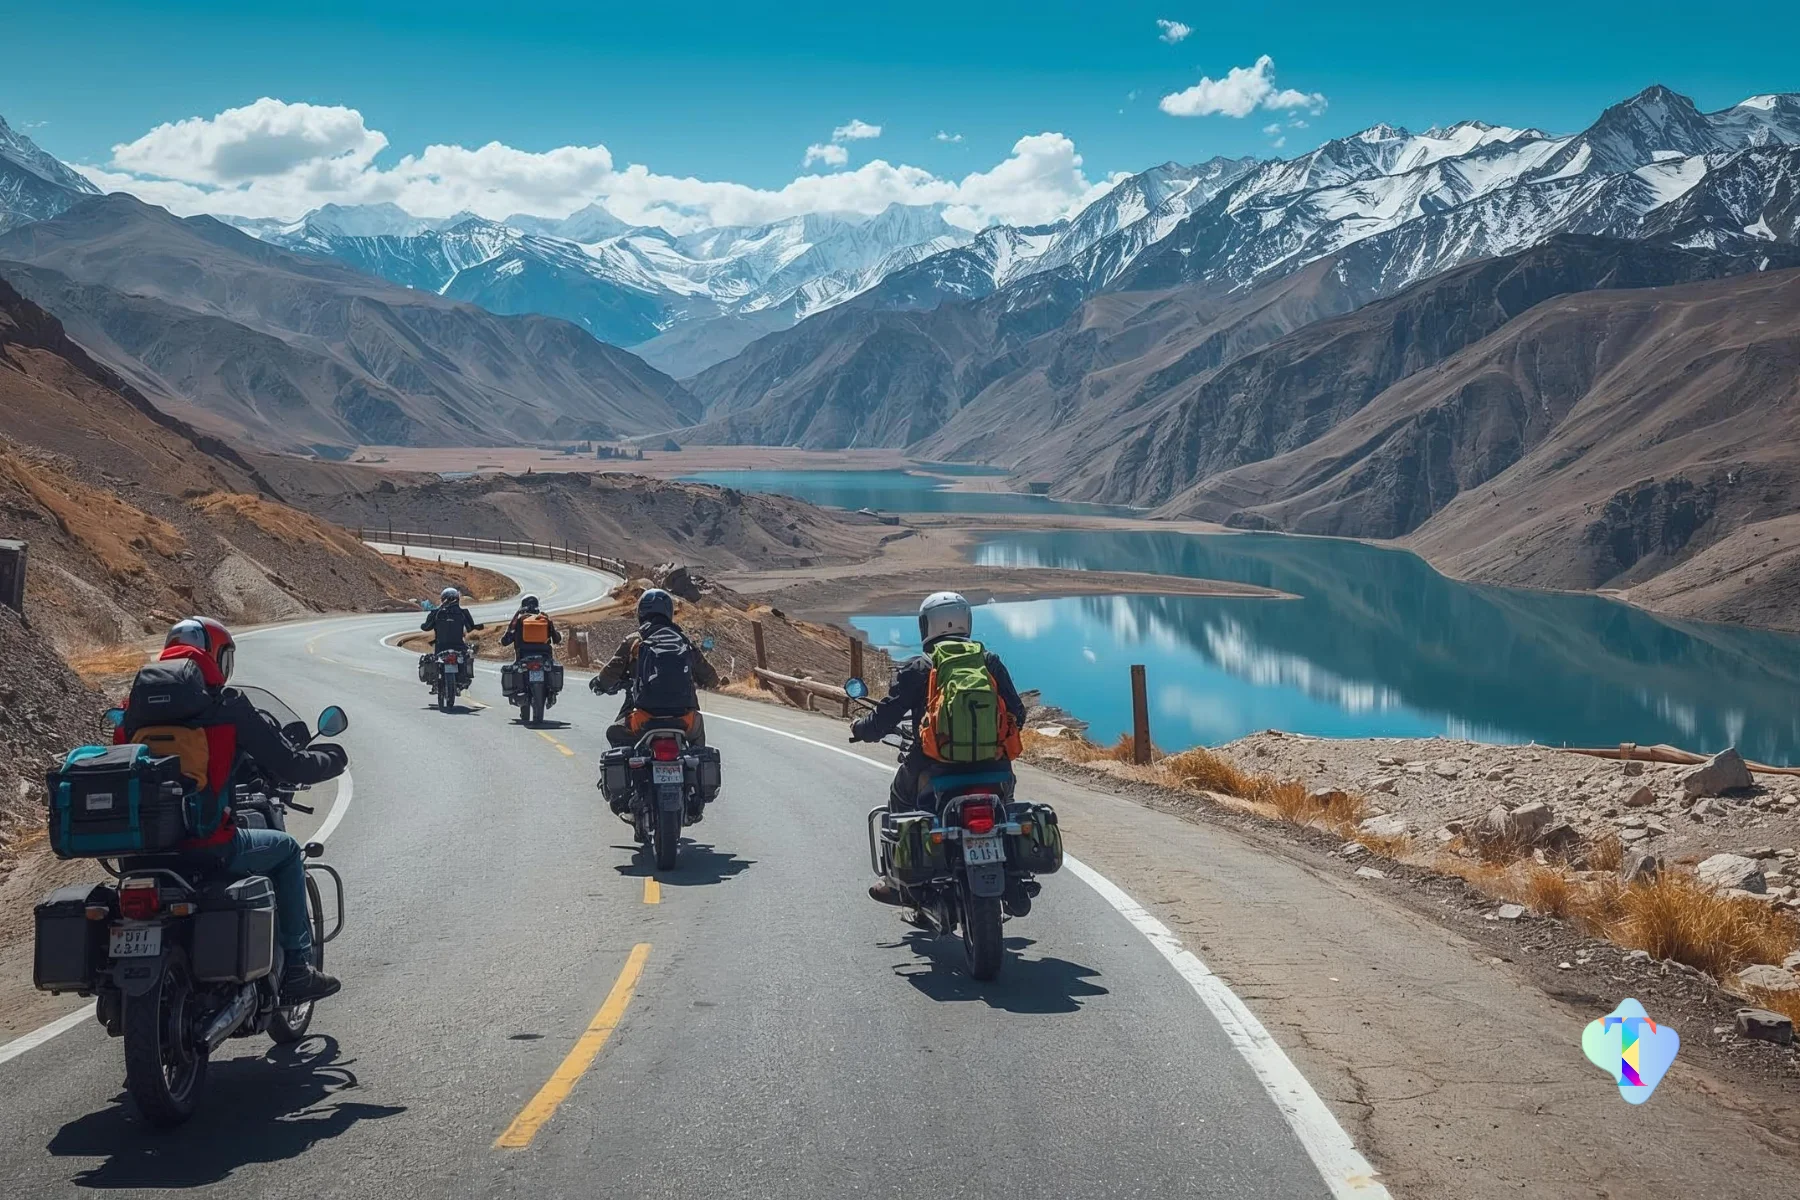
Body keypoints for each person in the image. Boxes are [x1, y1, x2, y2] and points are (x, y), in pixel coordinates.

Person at [118, 618, 347, 1003]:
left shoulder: (133, 712)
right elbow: (288, 764)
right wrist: (333, 759)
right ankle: (296, 971)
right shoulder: (226, 708)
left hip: (139, 853)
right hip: (210, 844)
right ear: (214, 658)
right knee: (288, 851)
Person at [850, 592, 1026, 907]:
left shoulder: (920, 667)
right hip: (994, 766)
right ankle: (1013, 872)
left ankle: (895, 882)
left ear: (926, 626)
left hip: (932, 768)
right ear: (965, 622)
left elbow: (885, 717)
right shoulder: (989, 662)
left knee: (899, 802)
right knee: (1006, 805)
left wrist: (861, 729)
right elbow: (1018, 713)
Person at [588, 588, 718, 749]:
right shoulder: (683, 641)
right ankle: (697, 771)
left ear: (641, 612)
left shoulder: (635, 641)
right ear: (669, 612)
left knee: (614, 732)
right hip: (684, 719)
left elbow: (610, 674)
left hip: (644, 718)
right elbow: (711, 678)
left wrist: (600, 684)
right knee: (699, 743)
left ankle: (630, 772)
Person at [500, 594, 561, 662]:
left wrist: (515, 618)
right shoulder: (544, 620)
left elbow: (505, 641)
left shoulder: (518, 622)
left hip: (522, 655)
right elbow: (556, 639)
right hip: (545, 656)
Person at [420, 586, 482, 653]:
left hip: (441, 647)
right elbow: (470, 628)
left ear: (443, 599)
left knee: (429, 660)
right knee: (468, 656)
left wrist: (423, 625)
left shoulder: (436, 613)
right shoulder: (463, 612)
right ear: (457, 599)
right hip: (459, 647)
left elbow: (426, 627)